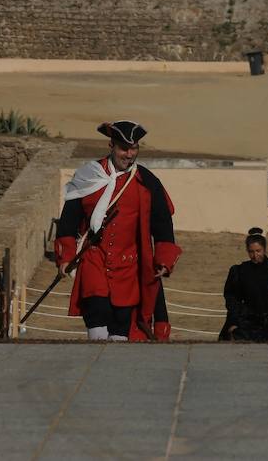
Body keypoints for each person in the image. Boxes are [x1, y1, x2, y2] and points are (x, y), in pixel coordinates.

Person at [54, 120, 181, 342]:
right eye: (124, 148)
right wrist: (65, 257)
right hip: (94, 259)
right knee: (97, 317)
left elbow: (162, 224)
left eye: (134, 148)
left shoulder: (148, 182)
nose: (129, 154)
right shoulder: (88, 175)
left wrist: (163, 259)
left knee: (122, 326)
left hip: (128, 265)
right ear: (111, 146)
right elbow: (68, 221)